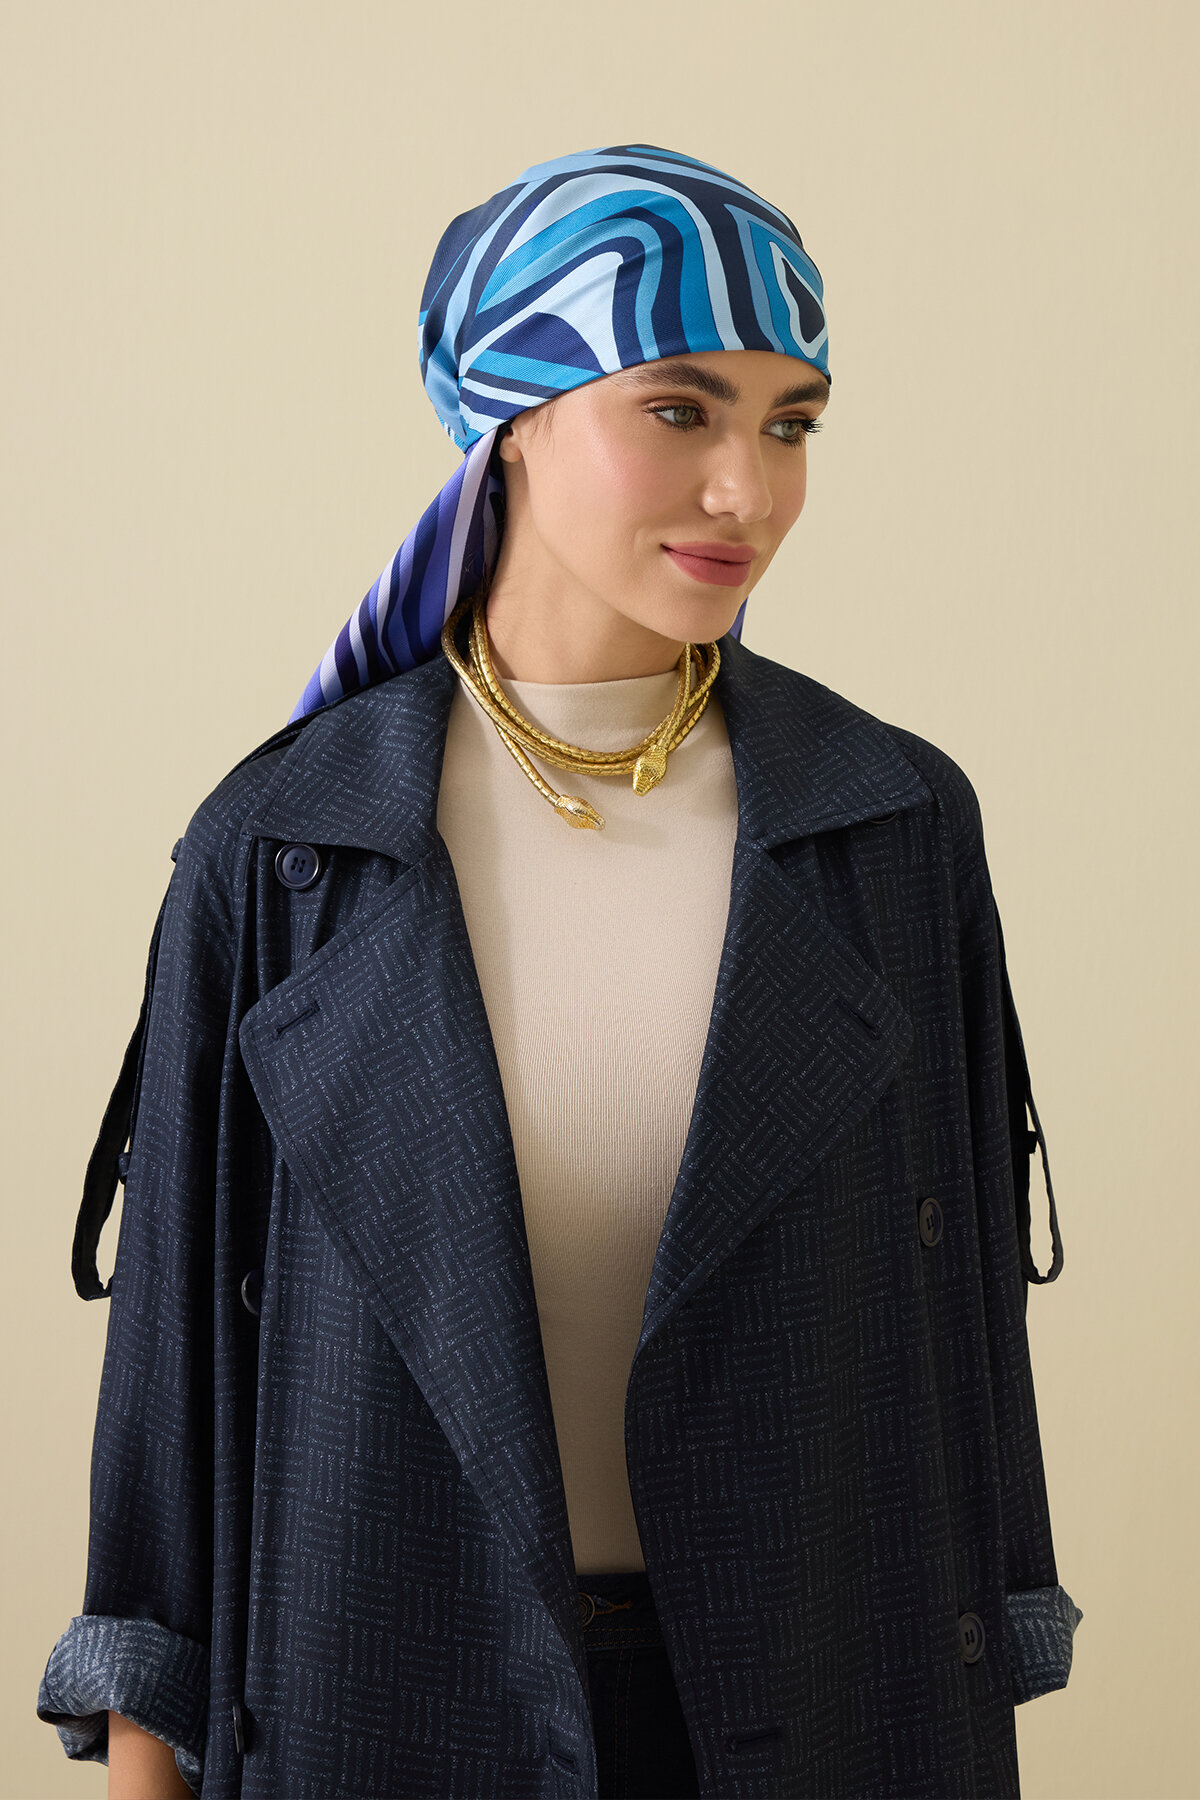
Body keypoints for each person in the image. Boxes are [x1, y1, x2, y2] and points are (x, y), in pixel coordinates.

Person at [37, 143, 1081, 1800]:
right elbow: (174, 1393)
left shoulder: (887, 822)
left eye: (791, 424)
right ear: (509, 419)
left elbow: (963, 1354)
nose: (748, 492)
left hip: (828, 1701)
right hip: (377, 1701)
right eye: (679, 410)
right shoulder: (287, 844)